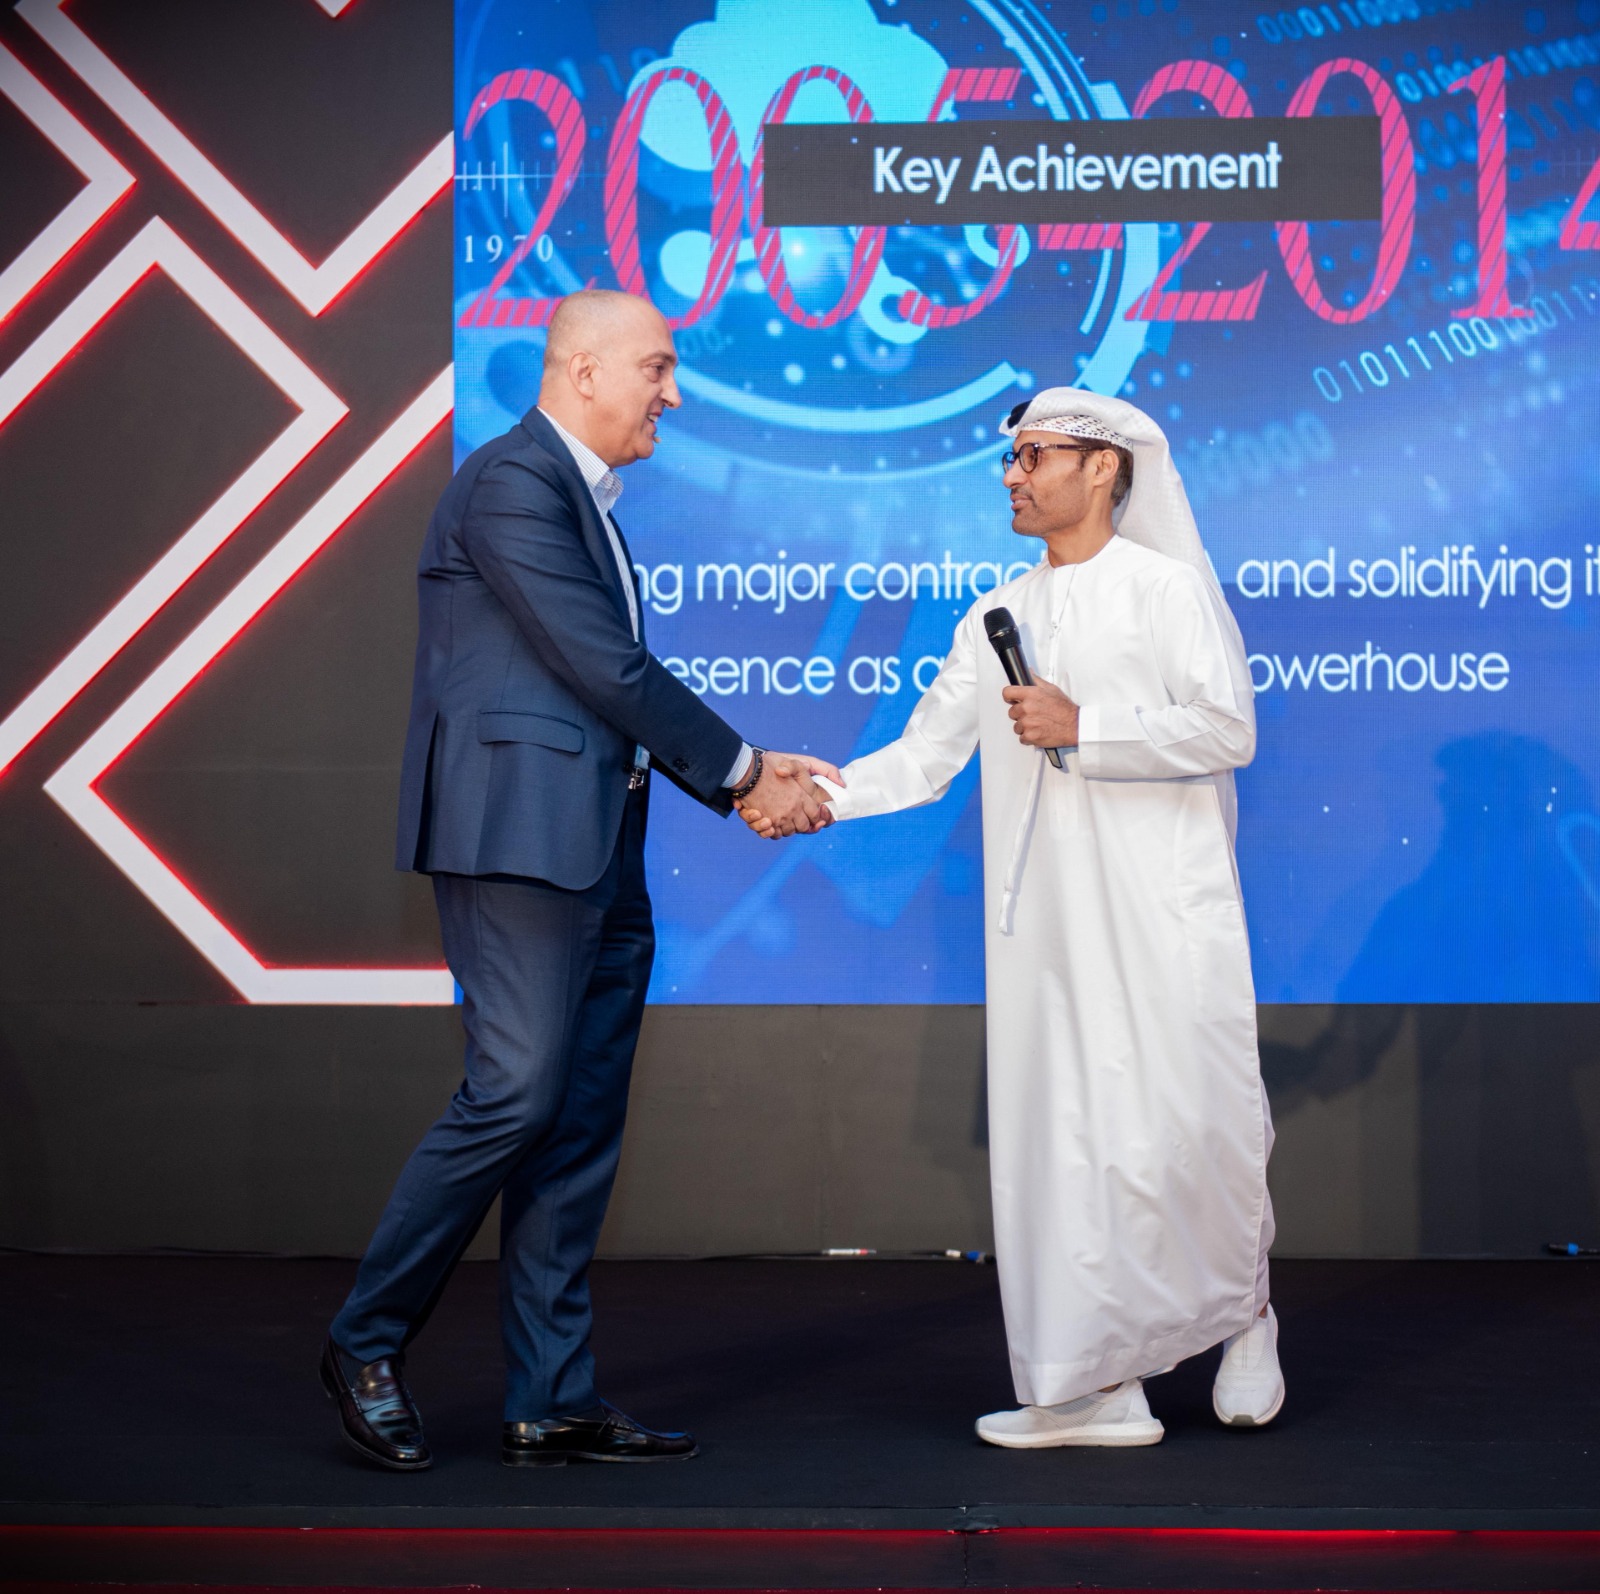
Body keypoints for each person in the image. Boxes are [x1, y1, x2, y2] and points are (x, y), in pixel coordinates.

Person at [321, 289, 838, 1472]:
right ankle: (364, 1340)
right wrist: (745, 773)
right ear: (583, 370)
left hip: (599, 846)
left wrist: (736, 773)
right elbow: (603, 664)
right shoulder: (514, 483)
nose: (674, 393)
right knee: (516, 1092)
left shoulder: (580, 500)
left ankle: (551, 1394)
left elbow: (601, 681)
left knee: (577, 1116)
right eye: (657, 368)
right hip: (515, 842)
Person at [741, 388, 1284, 1447]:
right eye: (1011, 460)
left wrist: (1089, 726)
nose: (1013, 476)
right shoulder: (998, 614)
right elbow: (925, 756)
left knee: (1189, 1126)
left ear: (1103, 468)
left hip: (1163, 913)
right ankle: (1091, 1387)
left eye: (1035, 456)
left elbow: (1229, 730)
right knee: (1070, 1146)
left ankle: (1244, 1316)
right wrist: (817, 796)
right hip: (1046, 927)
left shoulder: (1166, 589)